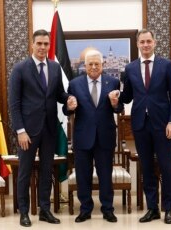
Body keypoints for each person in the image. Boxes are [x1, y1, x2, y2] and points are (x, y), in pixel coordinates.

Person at [8, 29, 77, 227]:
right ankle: (24, 212)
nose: (42, 47)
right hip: (27, 132)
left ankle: (45, 210)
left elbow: (59, 94)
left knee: (47, 171)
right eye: (39, 43)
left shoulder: (55, 68)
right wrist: (20, 130)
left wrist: (69, 99)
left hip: (49, 129)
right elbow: (14, 103)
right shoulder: (20, 69)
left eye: (46, 44)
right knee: (25, 172)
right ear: (32, 44)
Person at [119, 29, 171, 224]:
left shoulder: (166, 65)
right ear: (138, 44)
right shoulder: (130, 69)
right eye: (142, 42)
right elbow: (127, 96)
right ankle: (152, 208)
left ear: (154, 43)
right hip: (140, 125)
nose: (145, 45)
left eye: (148, 41)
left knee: (166, 166)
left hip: (163, 125)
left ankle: (168, 208)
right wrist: (115, 97)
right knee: (146, 168)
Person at [63, 49, 123, 223]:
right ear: (85, 66)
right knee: (83, 175)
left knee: (106, 175)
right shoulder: (75, 84)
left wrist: (115, 103)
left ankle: (108, 209)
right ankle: (85, 209)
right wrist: (70, 107)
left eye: (97, 63)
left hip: (105, 136)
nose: (94, 67)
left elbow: (118, 109)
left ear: (103, 64)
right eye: (90, 64)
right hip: (82, 137)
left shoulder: (113, 82)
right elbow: (66, 109)